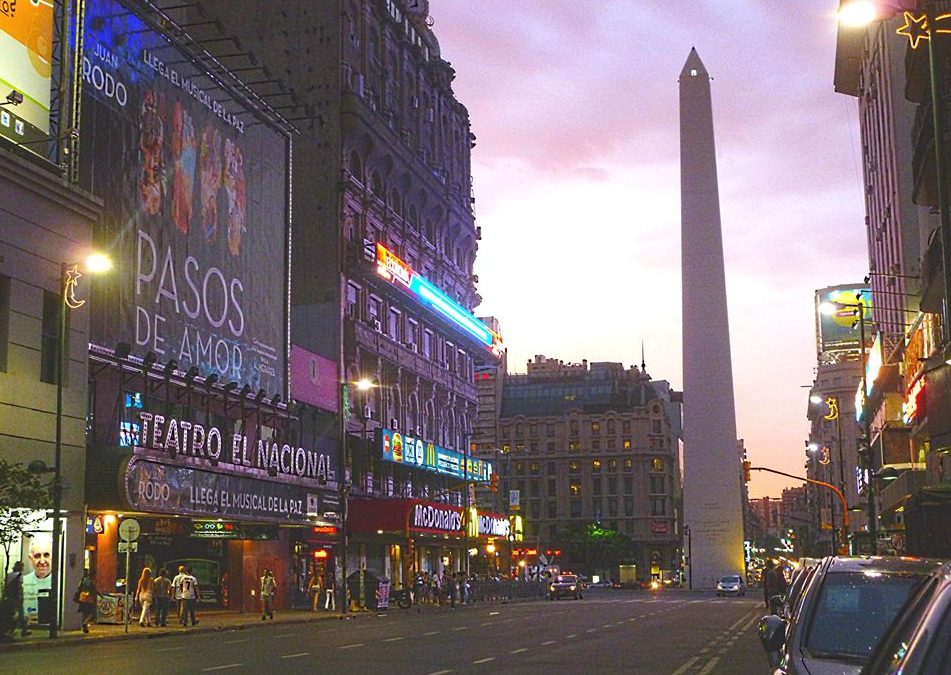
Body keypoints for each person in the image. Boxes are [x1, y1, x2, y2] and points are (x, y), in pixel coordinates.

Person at [22, 535, 52, 623]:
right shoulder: (23, 582)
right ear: (30, 559)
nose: (42, 561)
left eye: (46, 555)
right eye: (37, 556)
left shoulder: (61, 583)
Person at [3, 561, 29, 637]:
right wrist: (21, 597)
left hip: (9, 597)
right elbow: (19, 587)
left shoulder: (8, 575)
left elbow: (5, 586)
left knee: (12, 613)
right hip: (17, 598)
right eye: (22, 567)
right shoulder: (19, 575)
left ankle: (12, 629)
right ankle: (23, 631)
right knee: (21, 614)